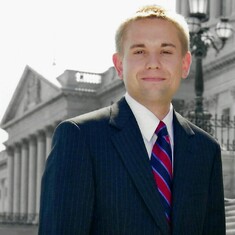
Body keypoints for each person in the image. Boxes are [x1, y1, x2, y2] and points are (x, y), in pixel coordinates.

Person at [38, 5, 225, 235]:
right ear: (119, 65)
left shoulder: (206, 149)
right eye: (139, 51)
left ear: (185, 64)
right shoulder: (80, 138)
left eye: (166, 51)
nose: (153, 62)